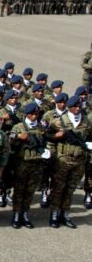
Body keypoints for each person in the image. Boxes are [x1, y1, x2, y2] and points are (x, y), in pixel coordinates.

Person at [45, 95, 90, 228]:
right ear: (69, 107)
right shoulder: (59, 121)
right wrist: (53, 152)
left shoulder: (86, 122)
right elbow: (47, 137)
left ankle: (65, 214)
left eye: (79, 106)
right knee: (58, 188)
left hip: (79, 161)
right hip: (63, 159)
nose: (78, 108)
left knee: (70, 189)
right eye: (75, 106)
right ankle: (54, 213)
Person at [8, 102, 47, 229]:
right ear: (27, 114)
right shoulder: (19, 127)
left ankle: (24, 213)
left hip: (37, 163)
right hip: (22, 163)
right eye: (33, 114)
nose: (35, 116)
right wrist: (19, 136)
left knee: (30, 190)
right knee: (19, 190)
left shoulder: (41, 127)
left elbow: (45, 142)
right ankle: (16, 214)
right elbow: (9, 140)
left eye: (37, 114)